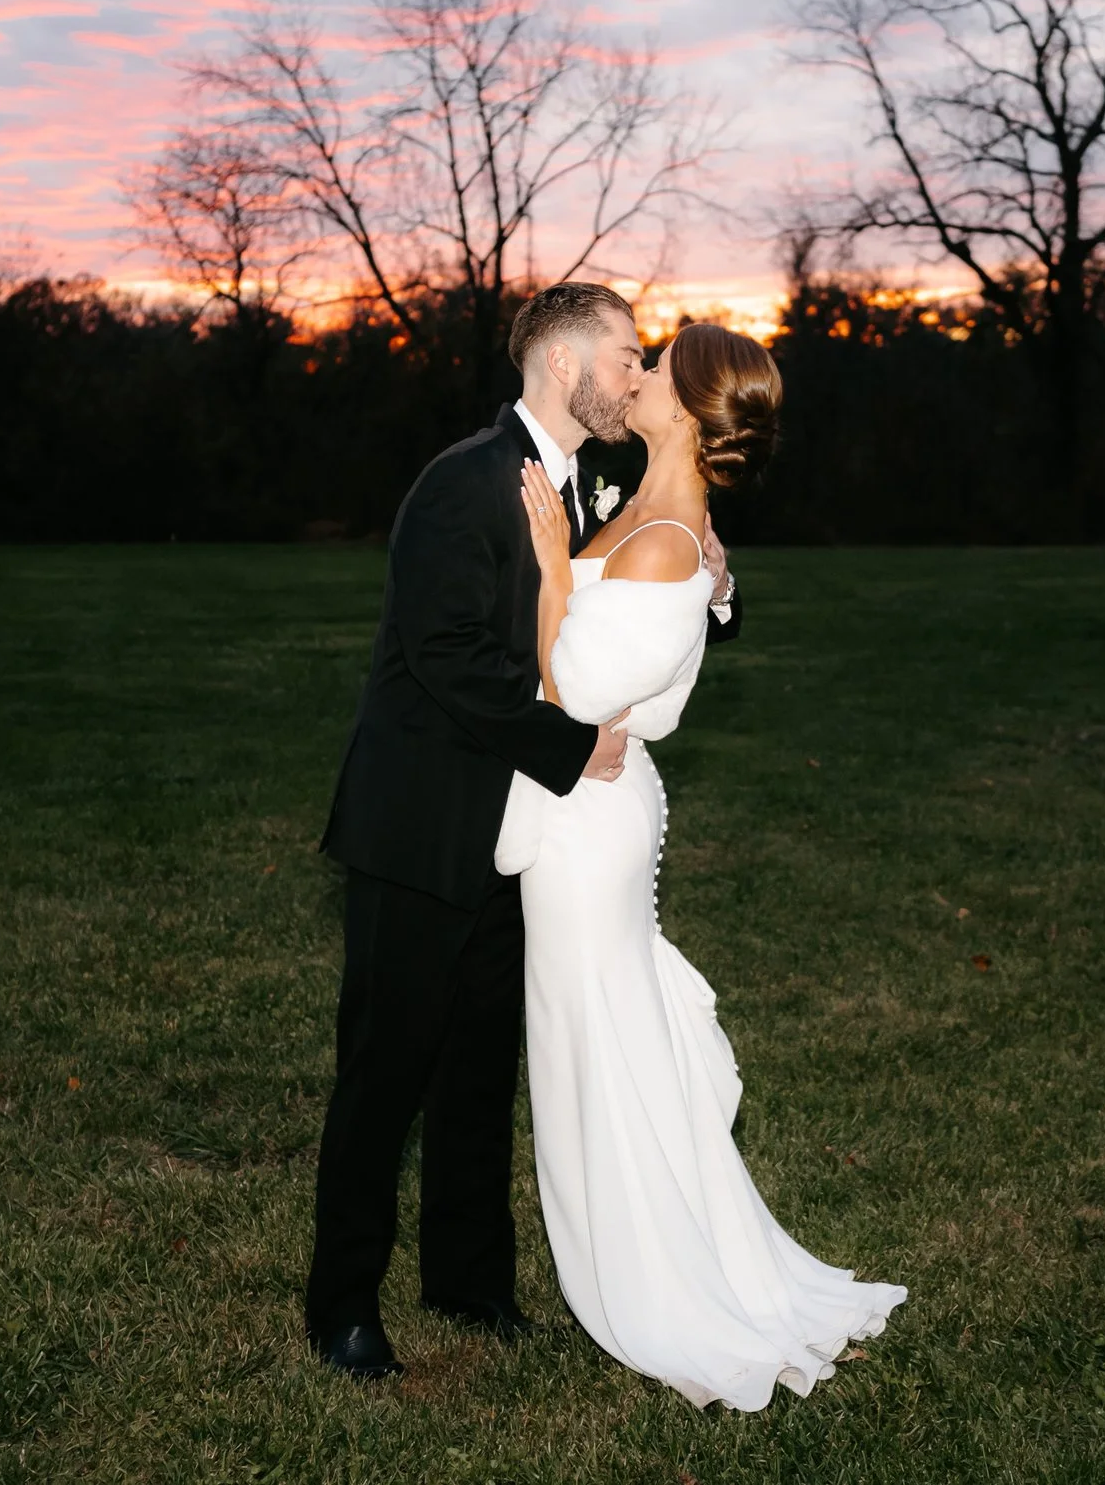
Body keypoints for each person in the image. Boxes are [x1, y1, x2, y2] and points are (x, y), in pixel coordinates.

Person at [306, 282, 734, 1379]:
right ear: (564, 364)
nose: (637, 375)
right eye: (626, 355)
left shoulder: (598, 486)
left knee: (478, 1071)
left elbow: (635, 606)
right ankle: (341, 1303)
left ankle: (469, 1283)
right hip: (425, 826)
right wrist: (568, 741)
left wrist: (720, 589)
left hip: (527, 840)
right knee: (385, 1073)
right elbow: (445, 653)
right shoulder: (463, 482)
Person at [506, 322, 906, 1411]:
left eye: (653, 364)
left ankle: (657, 1281)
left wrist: (552, 567)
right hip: (590, 810)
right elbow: (679, 595)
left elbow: (572, 694)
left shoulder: (665, 532)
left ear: (684, 407)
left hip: (588, 816)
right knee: (608, 1039)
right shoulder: (651, 506)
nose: (633, 374)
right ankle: (666, 1241)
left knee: (600, 1048)